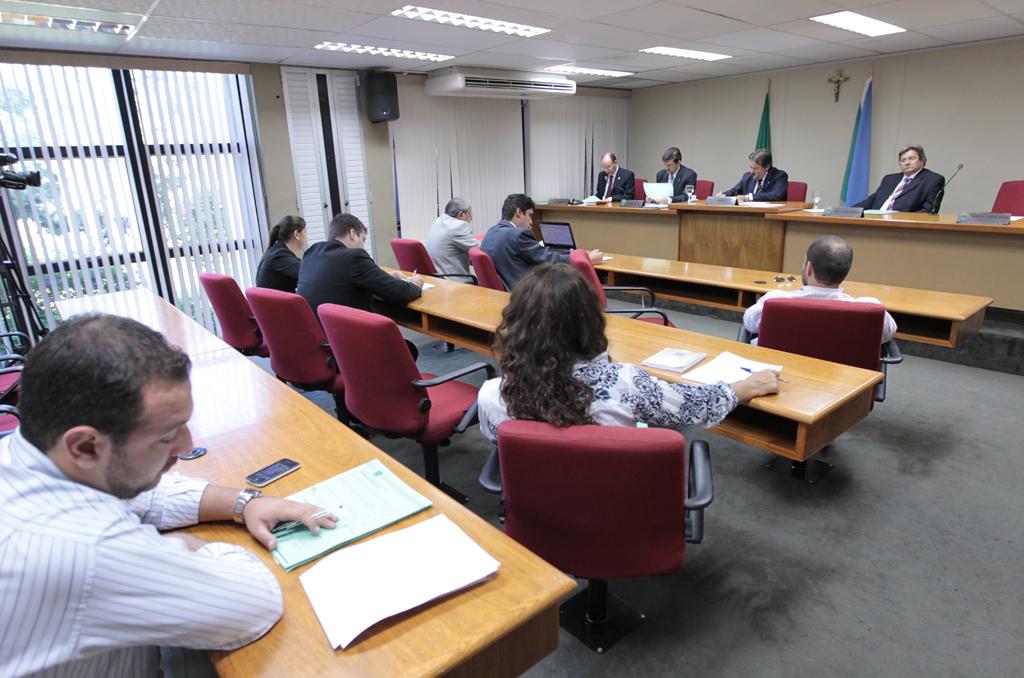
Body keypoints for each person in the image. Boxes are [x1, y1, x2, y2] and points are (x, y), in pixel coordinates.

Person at [0, 313, 336, 677]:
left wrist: (246, 502)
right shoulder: (84, 549)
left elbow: (142, 494)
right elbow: (254, 602)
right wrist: (182, 547)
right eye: (167, 436)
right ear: (84, 447)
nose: (186, 446)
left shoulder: (29, 455)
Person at [477, 263, 778, 442]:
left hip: (537, 511)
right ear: (590, 320)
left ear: (516, 323)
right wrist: (747, 386)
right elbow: (694, 405)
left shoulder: (492, 395)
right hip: (614, 504)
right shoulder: (625, 383)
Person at [742, 235, 897, 342]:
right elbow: (887, 334)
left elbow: (749, 324)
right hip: (843, 380)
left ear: (809, 268)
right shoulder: (870, 309)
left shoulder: (774, 301)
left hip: (781, 376)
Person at [298, 213, 423, 314]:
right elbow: (400, 292)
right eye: (363, 239)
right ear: (352, 234)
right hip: (349, 333)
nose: (363, 246)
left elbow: (339, 279)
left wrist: (385, 276)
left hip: (320, 332)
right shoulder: (353, 257)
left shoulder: (311, 253)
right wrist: (415, 284)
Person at [481, 194, 602, 290]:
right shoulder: (518, 235)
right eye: (530, 215)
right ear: (519, 212)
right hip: (526, 292)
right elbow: (548, 259)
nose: (531, 222)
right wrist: (585, 259)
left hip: (504, 290)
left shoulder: (491, 232)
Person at [855, 145, 945, 213]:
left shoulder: (933, 180)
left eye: (911, 159)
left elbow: (928, 211)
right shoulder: (889, 179)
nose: (907, 163)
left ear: (922, 160)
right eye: (903, 160)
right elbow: (871, 201)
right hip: (873, 222)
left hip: (903, 227)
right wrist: (849, 211)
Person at [425, 198, 478, 282]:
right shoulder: (458, 226)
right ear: (461, 214)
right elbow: (479, 250)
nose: (471, 217)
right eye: (469, 213)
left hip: (437, 278)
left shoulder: (439, 221)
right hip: (454, 282)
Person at [256, 215, 308, 292]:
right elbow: (308, 273)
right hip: (276, 300)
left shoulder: (276, 252)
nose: (307, 237)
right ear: (296, 234)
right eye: (305, 232)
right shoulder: (279, 257)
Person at [721, 149, 789, 203]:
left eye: (756, 168)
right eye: (751, 167)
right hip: (749, 213)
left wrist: (748, 197)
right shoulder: (747, 176)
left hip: (770, 214)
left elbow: (775, 195)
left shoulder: (779, 176)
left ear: (767, 167)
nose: (752, 172)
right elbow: (734, 191)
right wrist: (723, 196)